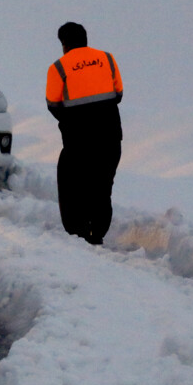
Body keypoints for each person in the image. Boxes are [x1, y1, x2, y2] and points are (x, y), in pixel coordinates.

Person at [45, 22, 123, 245]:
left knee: (72, 183)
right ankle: (98, 232)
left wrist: (74, 120)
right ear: (86, 39)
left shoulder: (58, 68)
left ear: (63, 44)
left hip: (78, 141)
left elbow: (53, 104)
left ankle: (78, 231)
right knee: (102, 184)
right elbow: (118, 94)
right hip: (110, 136)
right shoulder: (107, 59)